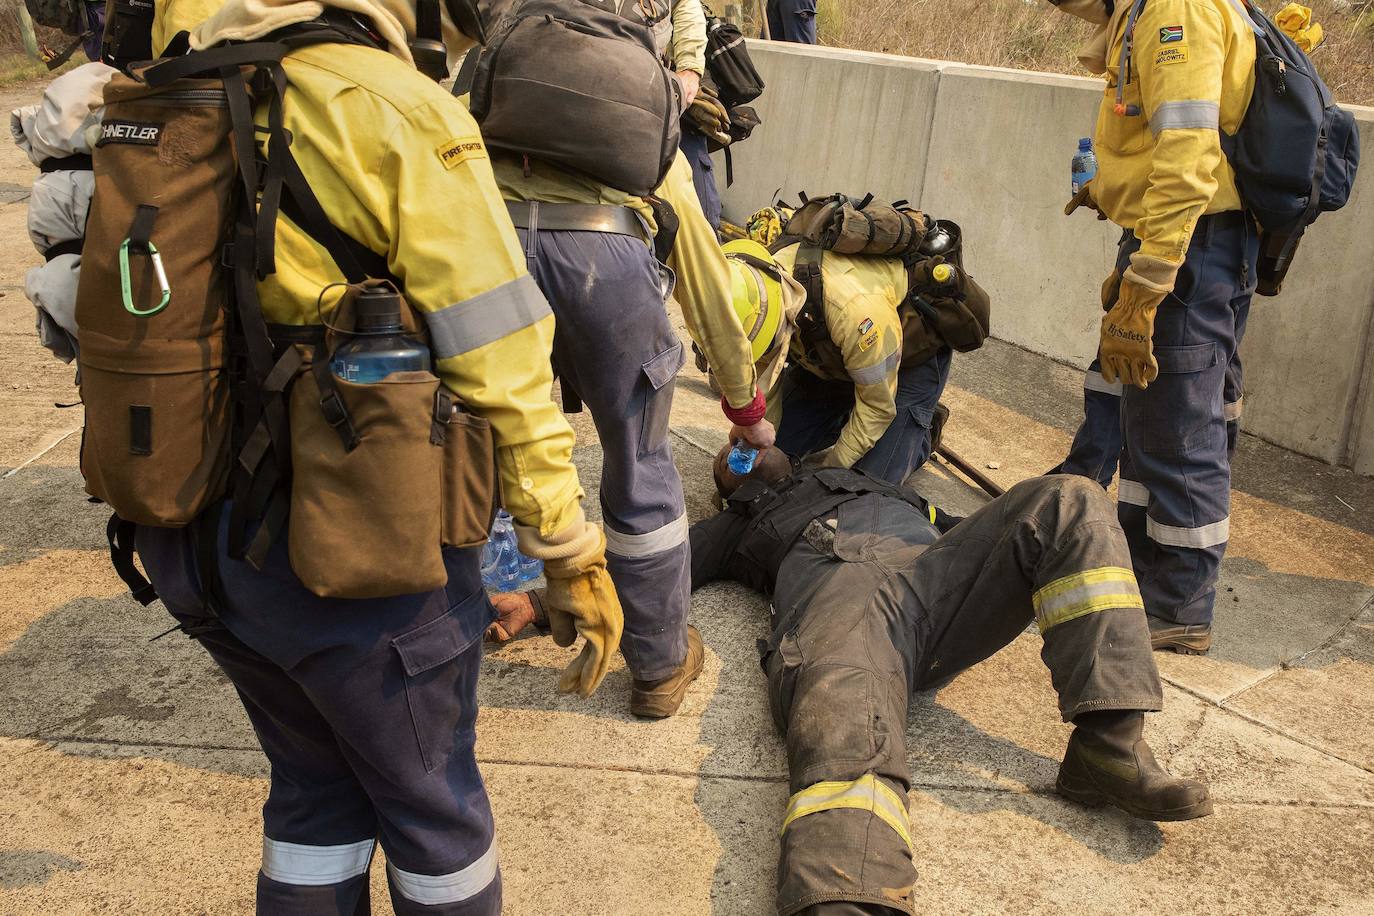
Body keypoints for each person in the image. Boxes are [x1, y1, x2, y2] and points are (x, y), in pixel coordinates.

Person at [127, 0, 623, 911]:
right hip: (358, 559)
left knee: (315, 797)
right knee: (436, 821)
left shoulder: (166, 93)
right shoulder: (393, 107)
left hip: (194, 539)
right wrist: (567, 549)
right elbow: (499, 354)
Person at [694, 446, 1211, 914]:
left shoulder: (881, 486)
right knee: (844, 680)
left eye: (750, 445)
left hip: (938, 584)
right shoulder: (740, 521)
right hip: (848, 598)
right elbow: (665, 568)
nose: (746, 451)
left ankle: (1108, 742)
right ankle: (849, 893)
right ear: (729, 488)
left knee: (1070, 499)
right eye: (734, 459)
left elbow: (982, 530)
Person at [489, 106, 773, 719]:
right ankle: (659, 667)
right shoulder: (635, 110)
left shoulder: (484, 85)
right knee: (639, 465)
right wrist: (744, 403)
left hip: (491, 250)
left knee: (468, 453)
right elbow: (700, 267)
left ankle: (446, 646)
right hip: (604, 261)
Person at [1048, 0, 1261, 655]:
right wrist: (1110, 191)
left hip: (1190, 247)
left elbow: (1188, 159)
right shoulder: (1140, 6)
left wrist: (1147, 283)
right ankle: (1143, 574)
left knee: (1179, 427)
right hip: (1183, 242)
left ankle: (1178, 605)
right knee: (1150, 420)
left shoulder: (1179, 9)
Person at [724, 238, 953, 486]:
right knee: (771, 457)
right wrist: (757, 434)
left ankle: (920, 429)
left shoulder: (856, 314)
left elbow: (876, 409)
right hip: (831, 357)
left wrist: (826, 477)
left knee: (862, 489)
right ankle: (843, 412)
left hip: (907, 358)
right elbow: (764, 380)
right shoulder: (755, 286)